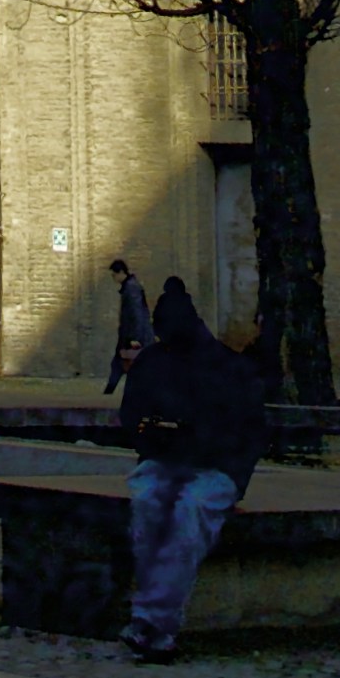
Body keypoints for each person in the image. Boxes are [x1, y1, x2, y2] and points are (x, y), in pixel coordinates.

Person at [117, 276, 268, 657]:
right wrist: (156, 435)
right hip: (164, 461)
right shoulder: (155, 363)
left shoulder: (224, 367)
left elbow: (247, 432)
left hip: (218, 467)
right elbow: (130, 418)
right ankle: (155, 623)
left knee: (190, 513)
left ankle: (151, 619)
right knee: (147, 505)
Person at [102, 257, 155, 394]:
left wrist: (135, 338)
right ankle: (109, 392)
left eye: (114, 275)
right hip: (130, 337)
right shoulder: (130, 287)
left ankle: (108, 393)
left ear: (121, 272)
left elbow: (136, 315)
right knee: (121, 365)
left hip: (134, 338)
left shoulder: (131, 289)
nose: (114, 279)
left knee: (126, 365)